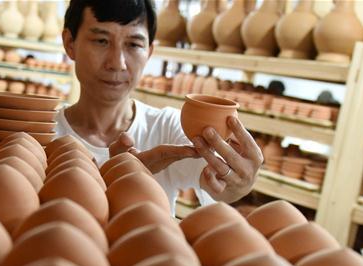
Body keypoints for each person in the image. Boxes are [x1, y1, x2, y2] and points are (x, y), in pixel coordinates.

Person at [56, 0, 264, 215]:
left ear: (150, 51)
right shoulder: (42, 133)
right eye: (101, 41)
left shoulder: (169, 127)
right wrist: (115, 179)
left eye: (134, 45)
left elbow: (217, 184)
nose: (117, 63)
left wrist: (238, 182)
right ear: (70, 43)